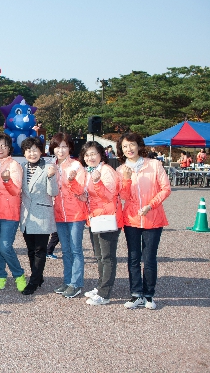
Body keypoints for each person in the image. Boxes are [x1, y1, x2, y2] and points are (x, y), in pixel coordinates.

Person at [116, 133, 171, 310]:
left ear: (139, 146)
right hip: (131, 219)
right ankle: (136, 294)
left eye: (131, 145)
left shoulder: (154, 165)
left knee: (149, 258)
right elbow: (123, 196)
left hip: (153, 217)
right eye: (125, 146)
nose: (128, 149)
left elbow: (165, 189)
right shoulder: (120, 169)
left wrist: (150, 205)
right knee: (133, 258)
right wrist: (126, 178)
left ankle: (149, 295)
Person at [80, 141, 123, 306]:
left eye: (93, 153)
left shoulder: (106, 171)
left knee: (107, 257)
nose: (90, 157)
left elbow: (109, 195)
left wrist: (97, 183)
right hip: (95, 219)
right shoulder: (90, 171)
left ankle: (105, 293)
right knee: (99, 256)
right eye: (87, 155)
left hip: (107, 218)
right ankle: (100, 287)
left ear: (101, 154)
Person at [50, 132, 88, 298]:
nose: (61, 150)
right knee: (65, 250)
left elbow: (81, 191)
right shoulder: (52, 166)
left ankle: (76, 283)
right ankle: (67, 281)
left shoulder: (76, 166)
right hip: (59, 214)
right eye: (58, 146)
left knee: (75, 250)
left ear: (70, 148)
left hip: (75, 214)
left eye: (64, 146)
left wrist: (72, 180)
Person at [19, 137, 58, 295]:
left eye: (35, 149)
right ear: (24, 153)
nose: (32, 153)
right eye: (28, 150)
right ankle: (38, 276)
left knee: (40, 250)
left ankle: (33, 282)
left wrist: (51, 177)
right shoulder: (21, 167)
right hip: (27, 215)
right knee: (30, 250)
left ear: (41, 151)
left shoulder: (49, 167)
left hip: (42, 213)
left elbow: (53, 192)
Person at [0, 133, 27, 292]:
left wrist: (7, 181)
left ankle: (19, 275)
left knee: (5, 247)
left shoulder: (14, 165)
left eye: (4, 145)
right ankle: (0, 275)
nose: (0, 148)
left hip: (9, 213)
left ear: (9, 148)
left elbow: (16, 190)